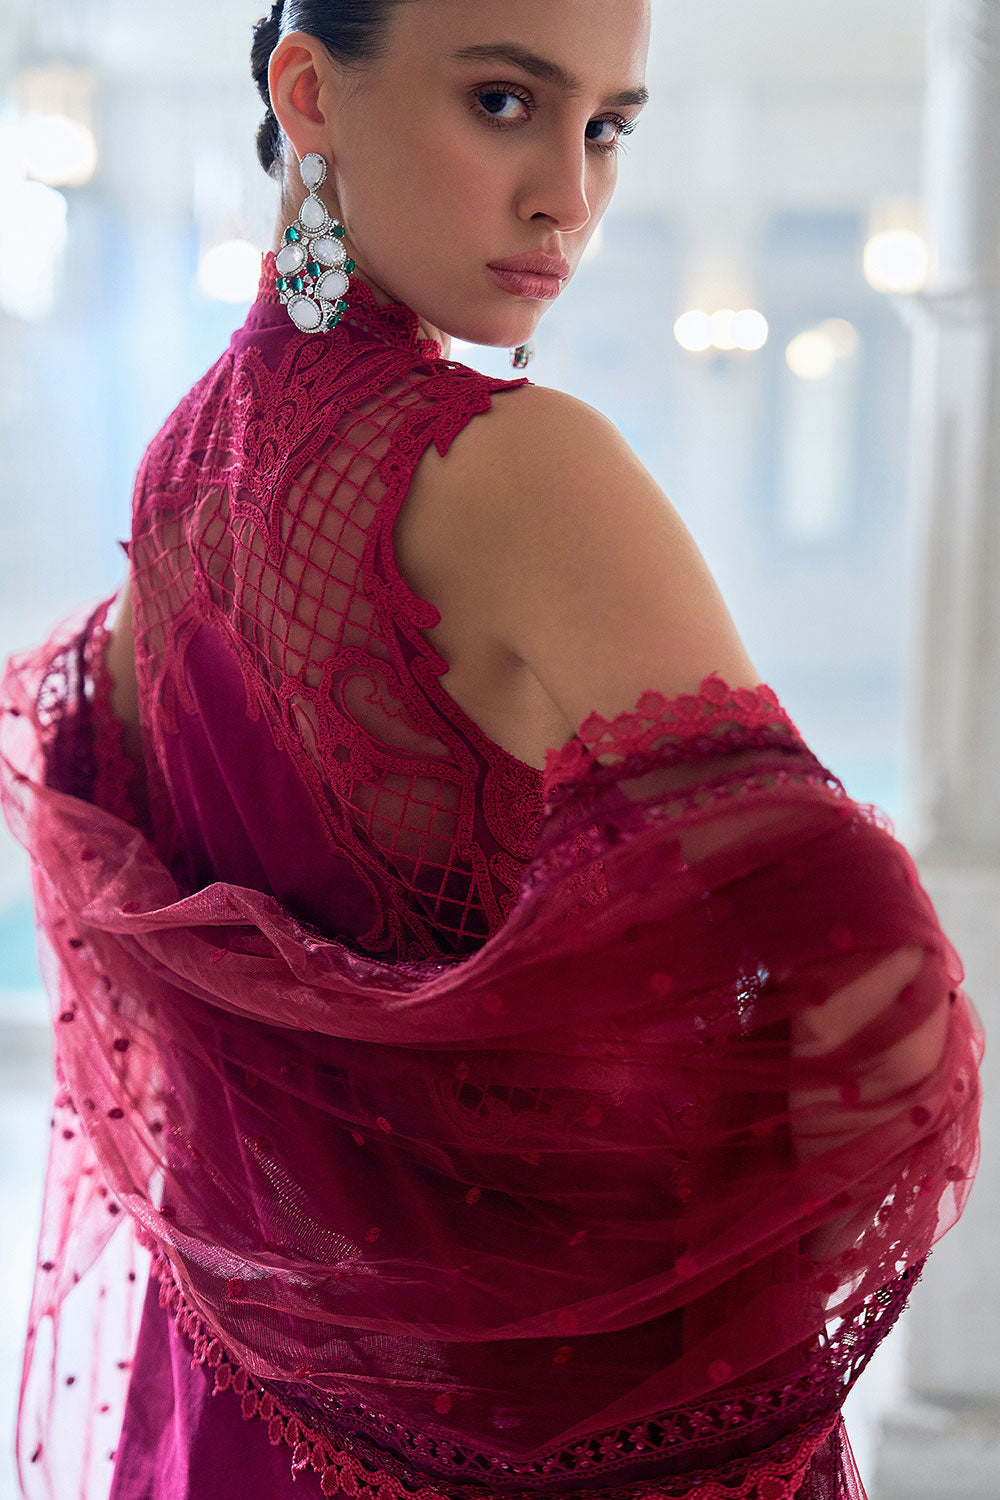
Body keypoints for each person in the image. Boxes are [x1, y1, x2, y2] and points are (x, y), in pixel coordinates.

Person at [0, 2, 983, 1499]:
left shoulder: (176, 476)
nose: (568, 196)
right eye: (507, 103)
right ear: (308, 91)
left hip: (248, 1400)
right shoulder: (519, 469)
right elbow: (876, 986)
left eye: (608, 127)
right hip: (528, 1425)